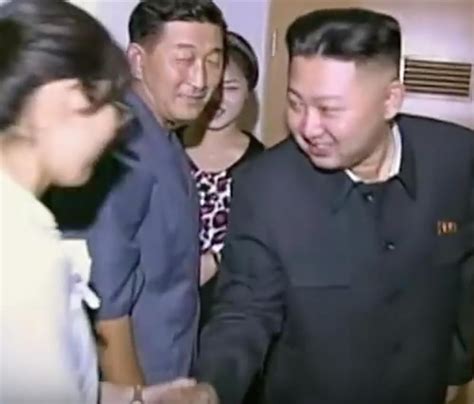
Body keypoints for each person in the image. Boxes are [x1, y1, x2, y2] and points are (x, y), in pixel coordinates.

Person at [190, 8, 473, 404]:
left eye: (329, 109)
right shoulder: (265, 186)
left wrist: (458, 367)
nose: (308, 127)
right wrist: (212, 388)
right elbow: (245, 310)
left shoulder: (457, 160)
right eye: (295, 103)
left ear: (390, 100)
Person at [0, 0, 195, 402]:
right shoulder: (25, 256)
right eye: (113, 105)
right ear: (64, 100)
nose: (116, 127)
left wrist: (140, 398)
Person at [47, 0, 227, 388]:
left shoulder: (165, 135)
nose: (200, 79)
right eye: (184, 59)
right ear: (137, 61)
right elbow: (107, 311)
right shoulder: (120, 148)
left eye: (214, 60)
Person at [181, 31, 264, 327]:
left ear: (248, 90)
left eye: (229, 87)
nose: (217, 100)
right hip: (160, 312)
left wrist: (215, 260)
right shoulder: (165, 150)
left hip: (228, 318)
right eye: (210, 87)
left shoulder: (265, 166)